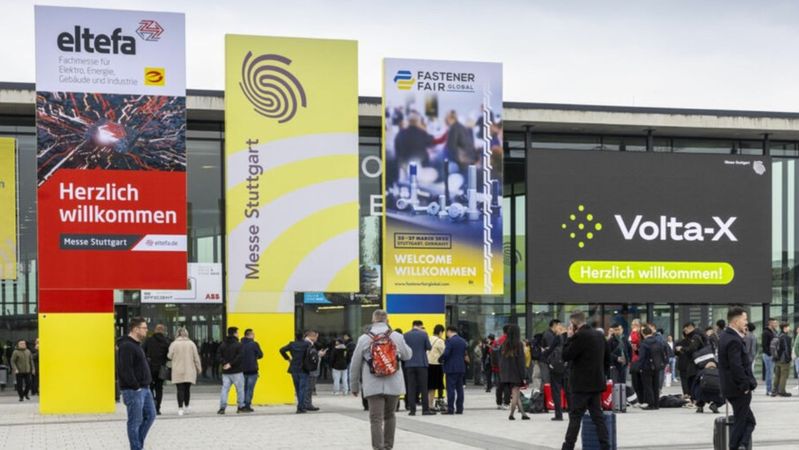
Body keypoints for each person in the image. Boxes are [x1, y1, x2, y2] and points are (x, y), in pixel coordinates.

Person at [350, 309, 412, 450]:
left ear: (373, 320)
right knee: (390, 415)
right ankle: (388, 446)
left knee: (376, 419)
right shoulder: (397, 336)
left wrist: (354, 386)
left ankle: (378, 448)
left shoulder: (364, 338)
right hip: (394, 383)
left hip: (373, 385)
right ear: (387, 320)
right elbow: (408, 355)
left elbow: (355, 364)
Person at [561, 311, 610, 450]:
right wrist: (601, 375)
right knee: (598, 417)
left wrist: (569, 338)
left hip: (581, 385)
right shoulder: (600, 335)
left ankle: (568, 446)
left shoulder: (579, 336)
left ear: (574, 323)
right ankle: (606, 446)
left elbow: (566, 355)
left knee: (575, 417)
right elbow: (608, 360)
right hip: (597, 383)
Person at [719, 307, 757, 450]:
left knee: (748, 421)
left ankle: (742, 444)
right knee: (742, 422)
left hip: (730, 387)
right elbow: (736, 366)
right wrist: (745, 385)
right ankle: (737, 446)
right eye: (744, 319)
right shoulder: (733, 339)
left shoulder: (725, 335)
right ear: (735, 321)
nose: (746, 322)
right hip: (738, 389)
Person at [118, 317, 156, 450]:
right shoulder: (126, 346)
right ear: (135, 329)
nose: (146, 331)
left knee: (151, 415)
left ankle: (137, 446)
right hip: (133, 390)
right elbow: (124, 369)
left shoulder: (136, 344)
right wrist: (136, 386)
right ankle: (136, 447)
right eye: (144, 328)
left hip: (145, 388)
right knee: (134, 421)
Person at [167, 327, 202, 416]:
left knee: (180, 389)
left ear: (177, 334)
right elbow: (196, 357)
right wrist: (199, 368)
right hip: (189, 370)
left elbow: (169, 356)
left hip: (178, 370)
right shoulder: (191, 344)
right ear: (186, 334)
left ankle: (180, 408)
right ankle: (187, 406)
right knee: (187, 389)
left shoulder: (174, 344)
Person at [280, 330, 316, 413]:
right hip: (304, 368)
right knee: (302, 388)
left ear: (295, 336)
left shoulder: (292, 344)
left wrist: (288, 359)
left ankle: (301, 406)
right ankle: (300, 407)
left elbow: (281, 350)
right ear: (303, 336)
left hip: (294, 368)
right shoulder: (307, 344)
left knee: (297, 388)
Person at [499, 324, 530, 421]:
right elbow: (521, 361)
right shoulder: (519, 344)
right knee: (516, 393)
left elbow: (500, 360)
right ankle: (511, 414)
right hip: (516, 373)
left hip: (506, 374)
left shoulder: (504, 344)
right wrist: (524, 375)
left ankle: (523, 414)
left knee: (515, 394)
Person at [403, 320, 433, 416]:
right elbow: (429, 347)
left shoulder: (405, 335)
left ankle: (412, 410)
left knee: (411, 387)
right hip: (421, 364)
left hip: (409, 364)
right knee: (423, 387)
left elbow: (403, 349)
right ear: (420, 326)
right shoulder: (424, 334)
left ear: (413, 326)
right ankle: (425, 410)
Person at [216, 326, 247, 414]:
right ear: (234, 333)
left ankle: (222, 408)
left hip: (226, 372)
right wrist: (231, 364)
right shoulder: (239, 344)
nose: (238, 334)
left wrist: (225, 363)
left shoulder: (222, 344)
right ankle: (240, 407)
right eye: (237, 332)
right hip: (237, 371)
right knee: (240, 390)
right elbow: (240, 357)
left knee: (224, 389)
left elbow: (218, 356)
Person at [142, 324, 171, 415]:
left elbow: (142, 352)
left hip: (149, 368)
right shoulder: (166, 342)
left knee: (150, 387)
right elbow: (169, 356)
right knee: (159, 388)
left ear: (155, 330)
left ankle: (150, 406)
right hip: (161, 368)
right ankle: (157, 408)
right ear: (163, 331)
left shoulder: (149, 340)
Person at [636, 326, 666, 410]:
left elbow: (642, 357)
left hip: (646, 367)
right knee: (655, 386)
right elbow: (663, 353)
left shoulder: (644, 343)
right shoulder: (658, 341)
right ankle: (656, 404)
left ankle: (650, 404)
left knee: (647, 386)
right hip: (657, 366)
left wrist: (640, 367)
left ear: (643, 333)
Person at [439, 326, 468, 415]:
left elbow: (446, 353)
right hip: (461, 367)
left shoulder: (450, 341)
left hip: (451, 368)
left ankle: (450, 409)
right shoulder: (463, 341)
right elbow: (464, 354)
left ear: (449, 331)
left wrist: (441, 359)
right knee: (460, 389)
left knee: (450, 389)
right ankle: (460, 408)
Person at [674, 322, 705, 402]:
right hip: (691, 363)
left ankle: (689, 396)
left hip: (686, 364)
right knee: (691, 380)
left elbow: (690, 350)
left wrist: (681, 349)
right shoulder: (698, 337)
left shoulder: (693, 339)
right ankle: (692, 397)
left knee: (686, 380)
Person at [543, 322, 566, 421]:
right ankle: (574, 412)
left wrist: (544, 354)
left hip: (556, 367)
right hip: (566, 367)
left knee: (556, 391)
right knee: (568, 391)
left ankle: (558, 414)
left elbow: (550, 350)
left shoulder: (558, 337)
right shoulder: (568, 338)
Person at [241, 328, 264, 411]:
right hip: (252, 370)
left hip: (242, 370)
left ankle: (241, 405)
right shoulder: (254, 344)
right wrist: (254, 357)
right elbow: (261, 354)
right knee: (250, 389)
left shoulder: (240, 344)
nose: (254, 335)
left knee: (243, 388)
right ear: (249, 335)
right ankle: (247, 405)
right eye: (253, 334)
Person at [427, 324, 446, 411]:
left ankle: (428, 403)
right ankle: (431, 405)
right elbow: (444, 352)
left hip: (428, 364)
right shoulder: (440, 341)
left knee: (429, 386)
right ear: (440, 332)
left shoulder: (429, 338)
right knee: (434, 387)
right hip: (436, 365)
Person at [772, 322, 793, 397]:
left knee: (777, 375)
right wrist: (788, 359)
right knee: (784, 375)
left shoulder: (777, 335)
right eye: (788, 327)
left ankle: (774, 390)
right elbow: (787, 349)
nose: (789, 328)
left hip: (777, 359)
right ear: (785, 328)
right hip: (784, 360)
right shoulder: (786, 337)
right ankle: (782, 391)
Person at [762, 318, 778, 396]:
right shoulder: (766, 332)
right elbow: (764, 345)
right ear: (770, 323)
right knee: (769, 373)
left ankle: (771, 389)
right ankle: (768, 390)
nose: (776, 324)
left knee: (771, 373)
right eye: (775, 323)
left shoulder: (774, 332)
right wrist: (770, 354)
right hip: (768, 356)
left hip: (773, 355)